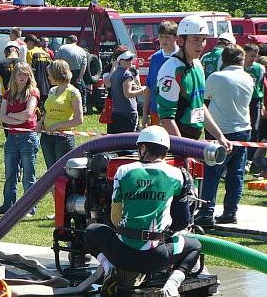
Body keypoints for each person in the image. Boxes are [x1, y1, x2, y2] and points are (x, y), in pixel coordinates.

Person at [84, 126, 202, 297]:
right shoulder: (176, 174)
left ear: (144, 148)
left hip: (121, 253)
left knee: (90, 231)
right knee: (195, 246)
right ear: (165, 151)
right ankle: (171, 285)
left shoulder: (123, 171)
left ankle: (109, 269)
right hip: (156, 258)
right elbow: (181, 222)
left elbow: (114, 219)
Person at [195, 45, 254, 227]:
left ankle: (206, 212)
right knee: (236, 174)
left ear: (223, 60)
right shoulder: (248, 78)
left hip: (222, 132)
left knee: (212, 173)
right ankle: (230, 211)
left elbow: (201, 99)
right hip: (244, 129)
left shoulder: (216, 77)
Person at [156, 14, 231, 152]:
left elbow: (199, 105)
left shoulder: (197, 65)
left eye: (203, 39)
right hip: (176, 140)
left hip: (193, 138)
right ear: (180, 41)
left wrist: (220, 136)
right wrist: (183, 151)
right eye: (195, 39)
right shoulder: (171, 71)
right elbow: (166, 119)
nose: (200, 44)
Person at [0, 62, 40, 214]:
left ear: (30, 75)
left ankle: (30, 207)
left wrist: (10, 116)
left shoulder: (33, 92)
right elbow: (0, 116)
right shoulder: (8, 93)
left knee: (28, 176)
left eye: (25, 73)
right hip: (11, 137)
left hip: (28, 137)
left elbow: (28, 114)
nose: (22, 77)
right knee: (10, 174)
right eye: (19, 74)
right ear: (14, 75)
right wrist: (16, 118)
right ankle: (8, 205)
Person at [37, 59, 83, 170]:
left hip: (63, 139)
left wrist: (57, 126)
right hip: (47, 137)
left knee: (61, 172)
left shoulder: (73, 92)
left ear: (57, 74)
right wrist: (41, 122)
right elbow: (48, 111)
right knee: (50, 171)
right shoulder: (52, 90)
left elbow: (79, 120)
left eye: (50, 75)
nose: (48, 77)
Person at [142, 21, 179, 127]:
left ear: (176, 37)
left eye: (167, 37)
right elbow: (149, 87)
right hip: (156, 112)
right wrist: (145, 114)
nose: (163, 40)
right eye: (161, 37)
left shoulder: (181, 57)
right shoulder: (155, 57)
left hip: (175, 113)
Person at [107, 50, 145, 134]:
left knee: (116, 142)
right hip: (128, 112)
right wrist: (143, 90)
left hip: (116, 112)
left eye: (131, 58)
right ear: (120, 61)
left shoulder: (115, 73)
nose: (130, 61)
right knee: (129, 141)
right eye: (127, 59)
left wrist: (135, 86)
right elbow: (128, 94)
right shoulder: (127, 74)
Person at [243, 43, 264, 162]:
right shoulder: (238, 68)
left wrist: (262, 105)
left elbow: (261, 88)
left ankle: (250, 158)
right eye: (251, 56)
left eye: (255, 56)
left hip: (255, 100)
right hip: (242, 100)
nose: (253, 59)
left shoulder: (259, 68)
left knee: (255, 127)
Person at [56, 35, 88, 111]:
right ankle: (82, 106)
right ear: (76, 41)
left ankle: (61, 106)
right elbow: (84, 65)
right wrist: (80, 78)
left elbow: (56, 61)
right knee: (80, 90)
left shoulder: (62, 48)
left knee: (63, 89)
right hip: (77, 72)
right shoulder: (82, 50)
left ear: (68, 40)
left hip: (64, 71)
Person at [0, 41, 21, 111]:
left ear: (6, 52)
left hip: (7, 99)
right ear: (17, 51)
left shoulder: (0, 64)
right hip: (23, 98)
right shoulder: (24, 63)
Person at [24, 34, 52, 110]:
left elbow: (29, 69)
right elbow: (50, 68)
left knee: (36, 103)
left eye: (26, 45)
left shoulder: (30, 52)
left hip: (36, 81)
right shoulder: (46, 54)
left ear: (29, 43)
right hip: (47, 82)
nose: (26, 47)